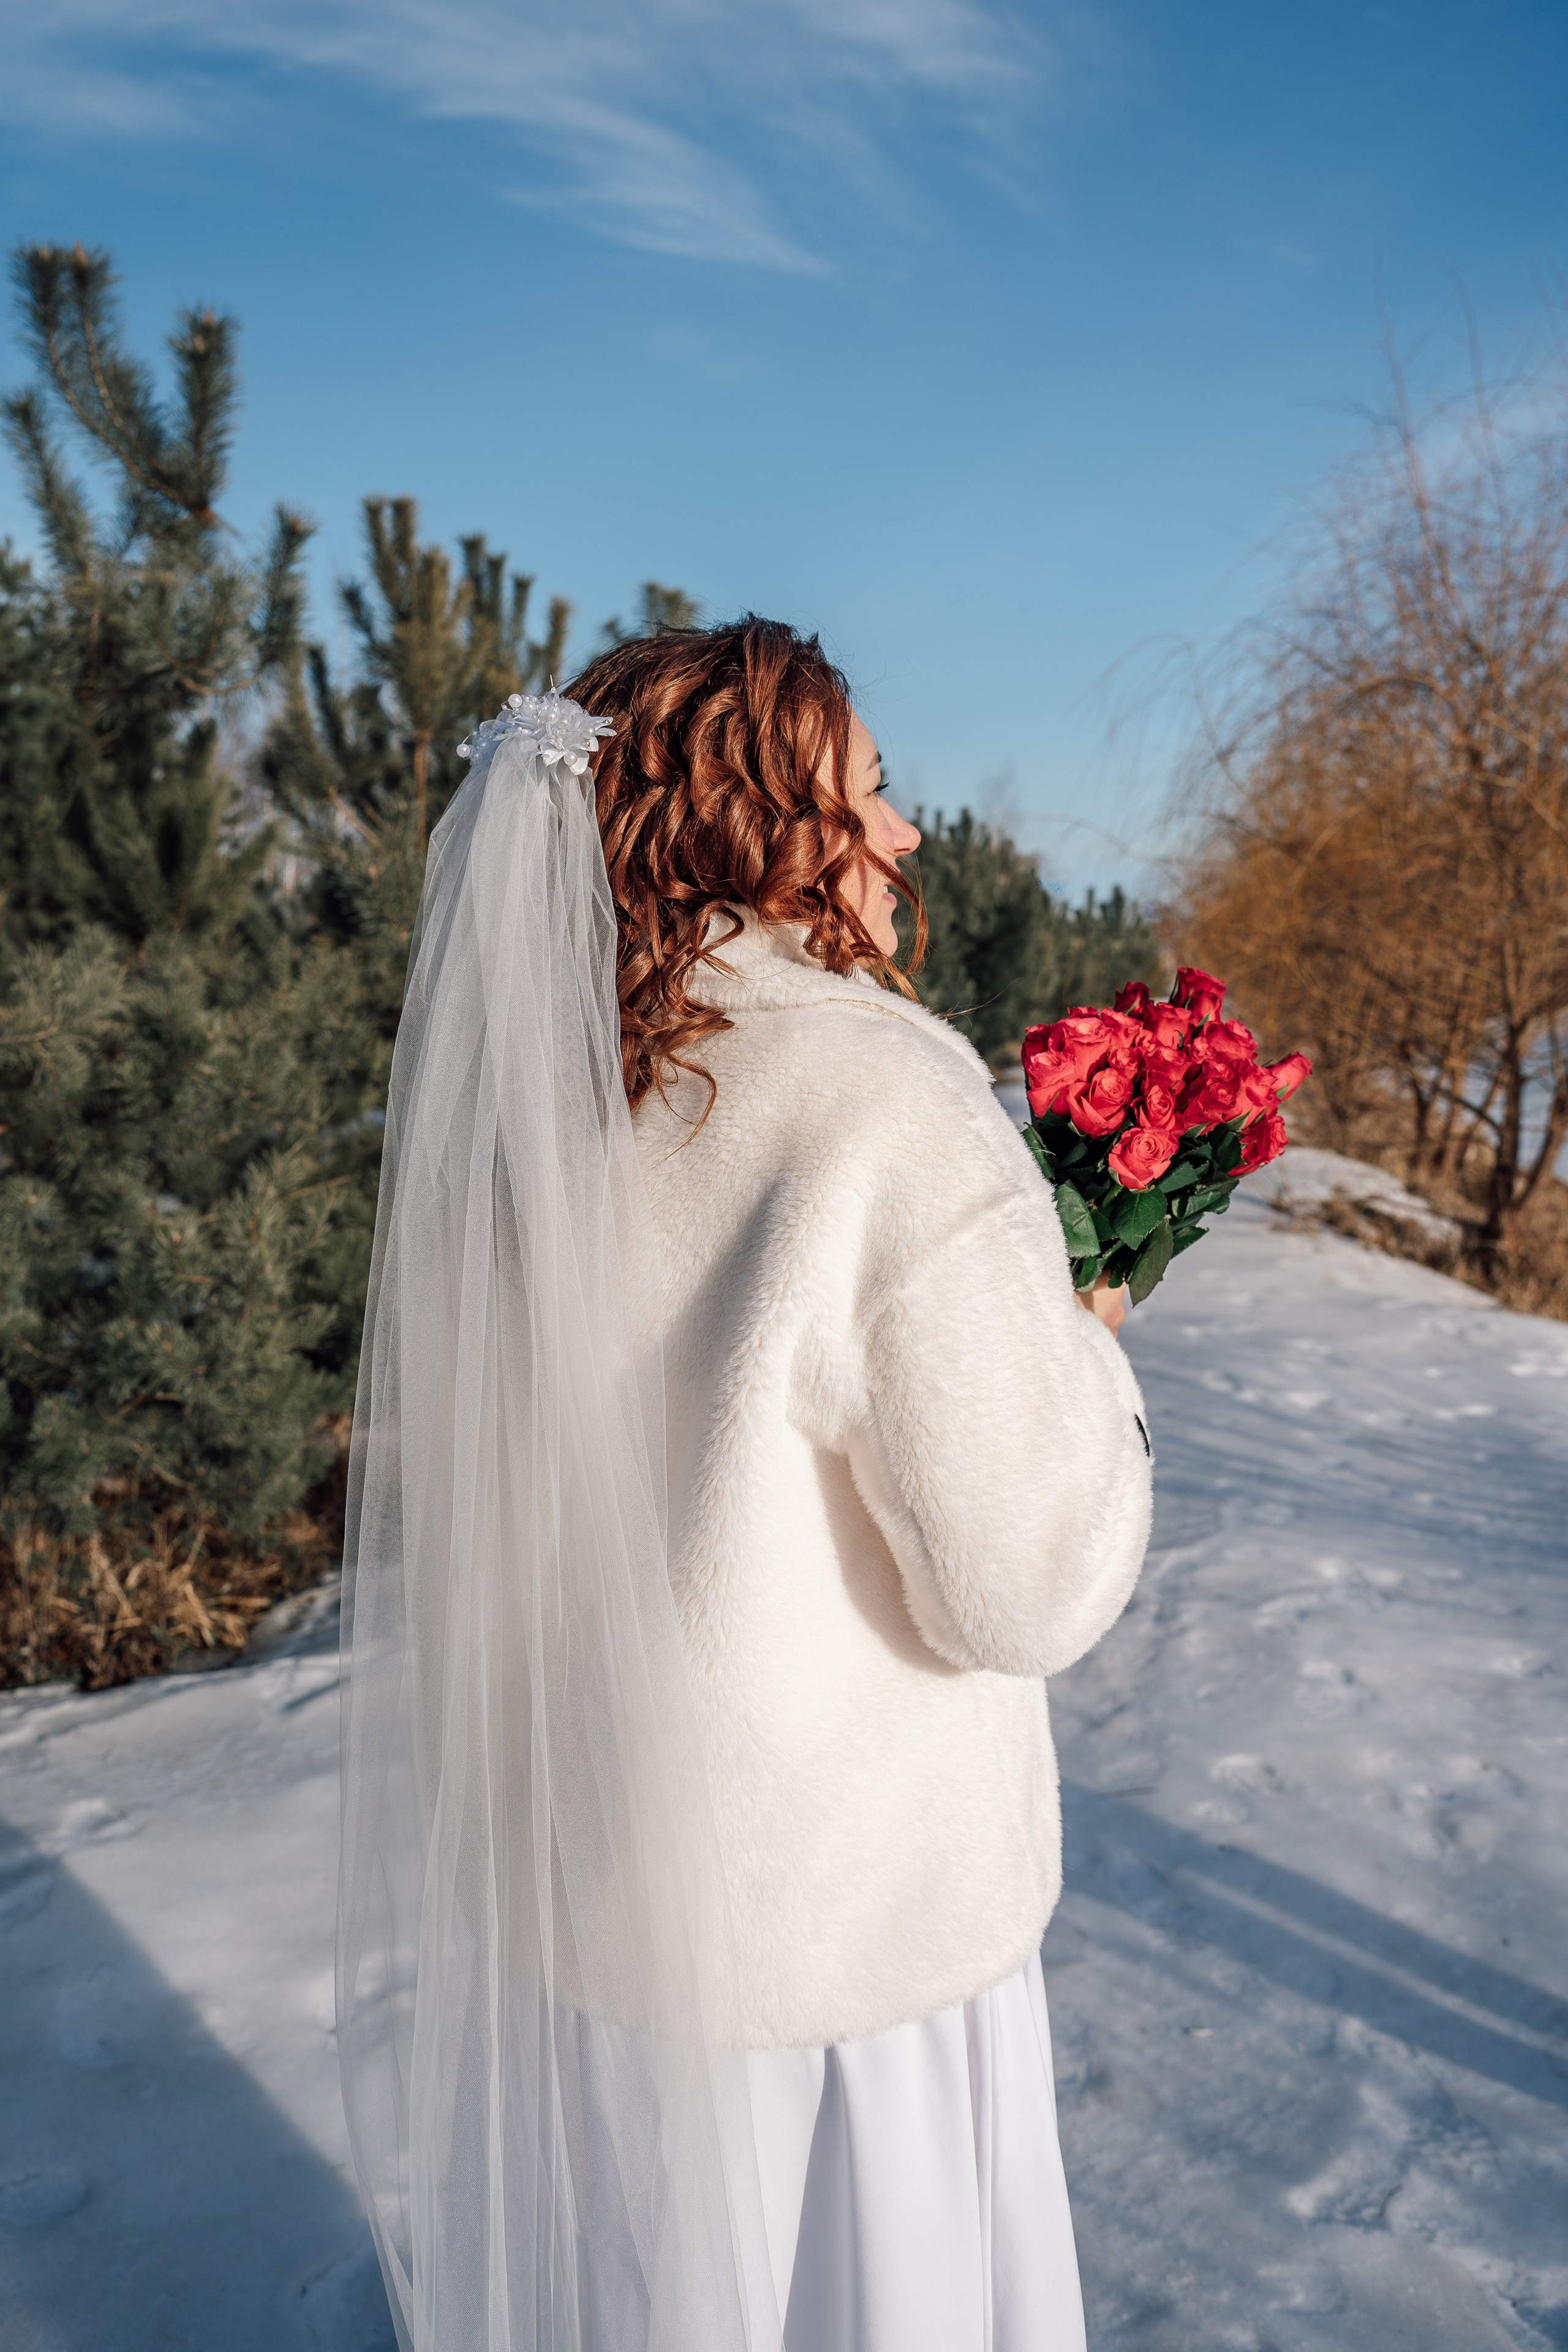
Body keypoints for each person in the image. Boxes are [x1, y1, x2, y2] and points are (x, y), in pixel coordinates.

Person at [337, 617, 1152, 2352]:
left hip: (590, 1930)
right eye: (873, 792)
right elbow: (1027, 1580)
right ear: (768, 818)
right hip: (837, 1972)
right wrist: (1093, 1348)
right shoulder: (881, 1099)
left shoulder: (543, 1100)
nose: (910, 837)